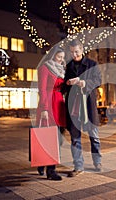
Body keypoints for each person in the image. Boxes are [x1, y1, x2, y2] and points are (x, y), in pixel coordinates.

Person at [63, 39, 102, 177]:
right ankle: (78, 166)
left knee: (94, 135)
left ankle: (97, 162)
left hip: (88, 104)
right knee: (75, 137)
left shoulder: (92, 64)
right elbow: (64, 85)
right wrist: (68, 82)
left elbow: (98, 80)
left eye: (77, 51)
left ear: (82, 49)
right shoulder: (68, 65)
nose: (74, 54)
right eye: (72, 52)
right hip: (73, 105)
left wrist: (84, 82)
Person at [35, 46, 67, 181]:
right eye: (58, 57)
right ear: (53, 56)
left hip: (59, 104)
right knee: (48, 138)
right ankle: (51, 170)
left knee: (58, 139)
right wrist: (44, 109)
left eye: (62, 57)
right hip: (48, 103)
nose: (61, 60)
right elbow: (42, 89)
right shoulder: (45, 68)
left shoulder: (62, 71)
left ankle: (43, 162)